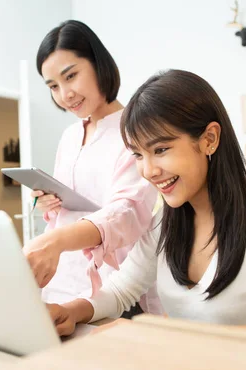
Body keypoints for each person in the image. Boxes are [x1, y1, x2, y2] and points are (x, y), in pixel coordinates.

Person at [46, 69, 246, 337]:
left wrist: (184, 339)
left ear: (210, 139)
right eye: (137, 154)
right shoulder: (165, 222)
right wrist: (73, 310)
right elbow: (121, 290)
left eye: (160, 150)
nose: (148, 171)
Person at [23, 20, 161, 316]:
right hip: (60, 287)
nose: (65, 94)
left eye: (70, 76)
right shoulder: (70, 137)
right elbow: (65, 212)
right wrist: (49, 203)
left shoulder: (135, 130)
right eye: (54, 87)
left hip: (114, 291)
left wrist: (55, 241)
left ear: (98, 65)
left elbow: (125, 214)